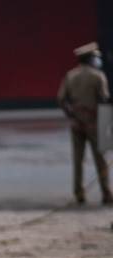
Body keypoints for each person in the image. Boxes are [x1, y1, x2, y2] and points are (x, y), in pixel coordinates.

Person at [57, 42, 113, 205]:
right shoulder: (97, 76)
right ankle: (106, 193)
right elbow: (104, 99)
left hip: (76, 123)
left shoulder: (70, 75)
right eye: (96, 58)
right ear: (90, 59)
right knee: (100, 159)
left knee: (78, 159)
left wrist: (72, 117)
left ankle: (79, 193)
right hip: (94, 122)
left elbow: (61, 99)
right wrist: (107, 125)